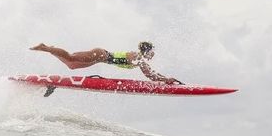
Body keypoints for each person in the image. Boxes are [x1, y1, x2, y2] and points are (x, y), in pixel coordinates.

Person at [30, 41, 181, 84]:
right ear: (147, 52)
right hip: (101, 54)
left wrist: (164, 78)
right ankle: (46, 48)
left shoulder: (138, 58)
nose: (153, 55)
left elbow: (152, 73)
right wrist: (165, 79)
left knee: (71, 65)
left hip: (100, 58)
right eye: (152, 52)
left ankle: (51, 49)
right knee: (70, 58)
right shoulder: (139, 58)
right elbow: (150, 74)